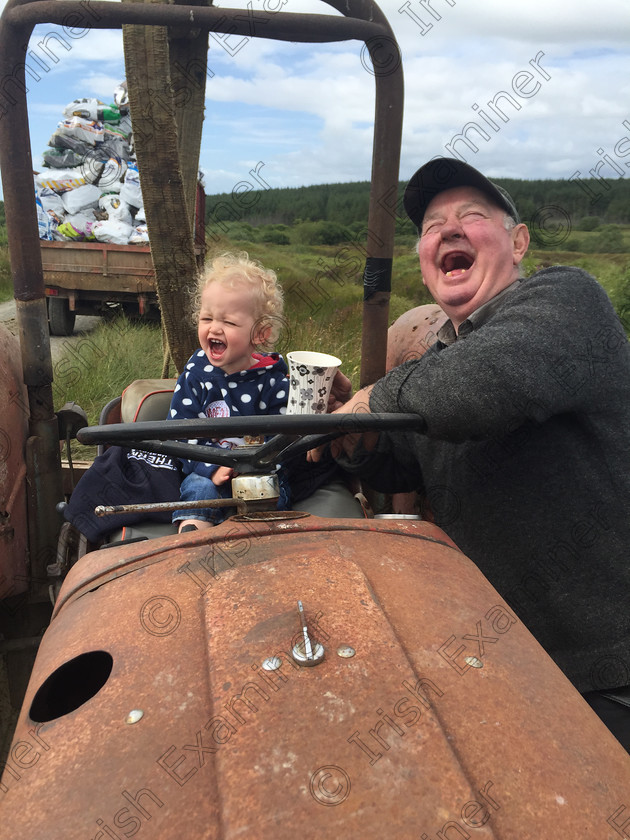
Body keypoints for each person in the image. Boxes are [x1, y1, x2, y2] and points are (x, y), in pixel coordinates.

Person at [311, 157, 630, 750]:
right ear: (426, 263)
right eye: (433, 226)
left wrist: (373, 397)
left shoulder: (567, 304)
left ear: (519, 242)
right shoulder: (436, 361)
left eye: (471, 217)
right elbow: (400, 464)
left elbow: (489, 384)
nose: (449, 231)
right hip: (496, 660)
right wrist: (355, 436)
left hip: (601, 666)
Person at [170, 252, 291, 532]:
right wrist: (214, 465)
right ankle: (193, 536)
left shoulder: (273, 380)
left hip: (259, 474)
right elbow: (181, 431)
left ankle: (259, 542)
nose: (214, 328)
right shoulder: (196, 375)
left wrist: (251, 465)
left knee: (272, 495)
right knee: (198, 490)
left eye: (229, 323)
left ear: (260, 334)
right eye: (207, 318)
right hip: (208, 471)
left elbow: (283, 438)